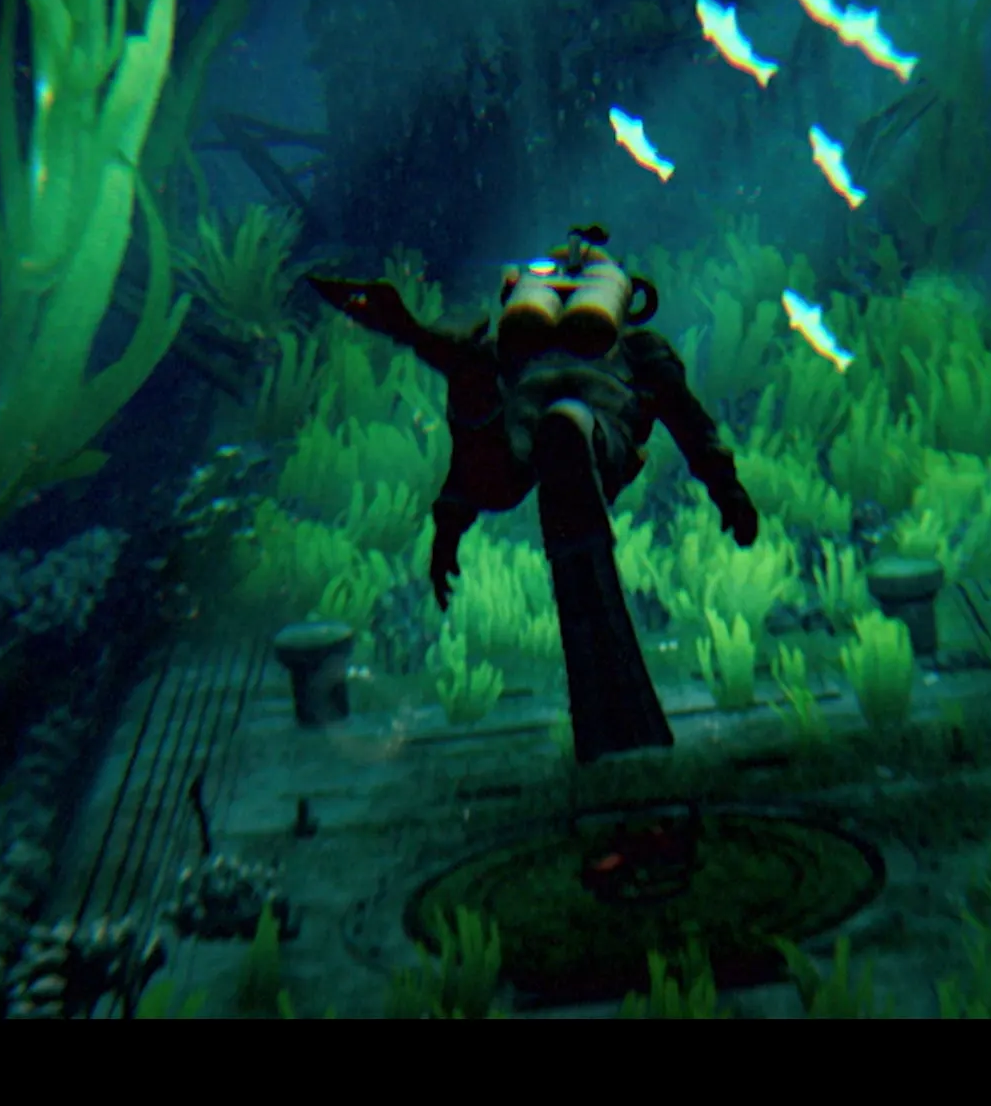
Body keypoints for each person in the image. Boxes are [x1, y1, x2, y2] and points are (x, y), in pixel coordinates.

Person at [307, 226, 758, 763]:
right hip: (591, 441)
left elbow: (473, 446)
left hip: (530, 446)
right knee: (554, 423)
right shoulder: (638, 348)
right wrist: (727, 490)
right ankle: (569, 438)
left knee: (496, 387)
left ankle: (559, 435)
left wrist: (448, 530)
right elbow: (690, 424)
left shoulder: (509, 349)